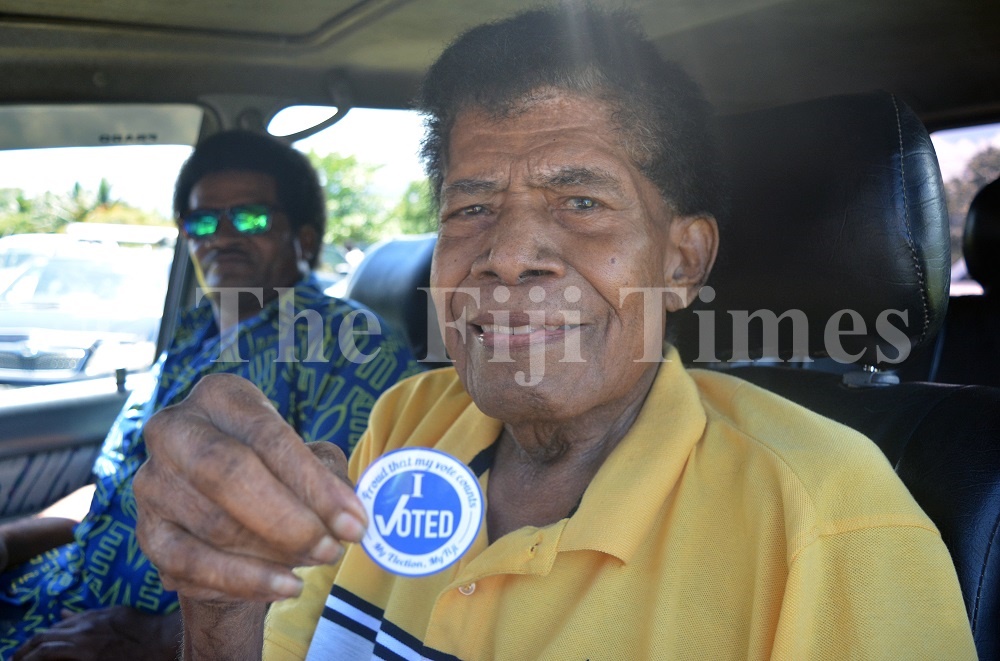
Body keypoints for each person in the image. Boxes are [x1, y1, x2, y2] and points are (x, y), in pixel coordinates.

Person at [132, 8, 977, 660]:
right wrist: (220, 603)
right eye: (471, 207)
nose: (507, 256)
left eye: (581, 201)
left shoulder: (827, 518)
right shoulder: (407, 423)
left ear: (682, 259)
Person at [0, 130, 418, 659]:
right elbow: (115, 487)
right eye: (201, 222)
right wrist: (13, 540)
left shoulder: (348, 345)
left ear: (305, 240)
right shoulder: (192, 333)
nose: (221, 236)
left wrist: (150, 637)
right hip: (54, 590)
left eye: (250, 218)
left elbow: (338, 552)